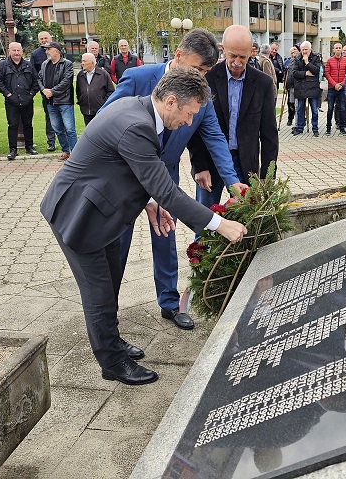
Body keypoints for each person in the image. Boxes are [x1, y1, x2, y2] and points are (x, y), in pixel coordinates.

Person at [40, 66, 247, 385]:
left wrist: (151, 204)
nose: (189, 123)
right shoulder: (137, 125)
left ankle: (112, 340)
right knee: (98, 293)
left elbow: (131, 169)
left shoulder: (140, 109)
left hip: (100, 210)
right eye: (189, 113)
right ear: (171, 101)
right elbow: (167, 189)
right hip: (78, 215)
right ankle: (112, 362)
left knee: (108, 285)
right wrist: (220, 224)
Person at [102, 28, 244, 331]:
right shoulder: (139, 78)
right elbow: (105, 120)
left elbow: (215, 137)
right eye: (196, 68)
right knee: (117, 242)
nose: (201, 77)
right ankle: (106, 310)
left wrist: (232, 181)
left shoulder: (201, 97)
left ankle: (169, 302)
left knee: (165, 235)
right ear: (177, 56)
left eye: (206, 71)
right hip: (126, 174)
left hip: (164, 174)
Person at [189, 24, 278, 208]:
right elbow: (194, 126)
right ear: (223, 50)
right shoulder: (206, 78)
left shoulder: (263, 84)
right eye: (232, 56)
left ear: (252, 52)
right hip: (209, 161)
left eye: (243, 57)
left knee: (246, 219)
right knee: (204, 219)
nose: (237, 62)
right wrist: (199, 166)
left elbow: (269, 134)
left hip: (244, 163)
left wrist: (266, 176)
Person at [0, 42, 41, 160]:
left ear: (22, 51)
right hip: (11, 101)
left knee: (28, 124)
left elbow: (36, 81)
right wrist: (8, 94)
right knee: (13, 125)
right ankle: (13, 149)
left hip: (27, 100)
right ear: (9, 51)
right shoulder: (3, 65)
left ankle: (29, 146)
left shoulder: (28, 65)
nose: (16, 53)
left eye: (18, 50)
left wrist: (31, 94)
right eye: (14, 50)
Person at [40, 42, 76, 161]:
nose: (47, 52)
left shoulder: (67, 64)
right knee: (57, 129)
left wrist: (53, 91)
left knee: (70, 129)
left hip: (64, 101)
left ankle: (76, 154)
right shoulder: (45, 64)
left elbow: (67, 81)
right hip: (50, 103)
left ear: (57, 51)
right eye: (46, 50)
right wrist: (43, 89)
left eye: (49, 49)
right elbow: (39, 78)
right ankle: (66, 151)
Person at [30, 30, 59, 152]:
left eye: (45, 38)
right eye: (41, 39)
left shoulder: (57, 50)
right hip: (45, 91)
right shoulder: (35, 54)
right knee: (50, 116)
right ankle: (51, 142)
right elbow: (33, 73)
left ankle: (66, 141)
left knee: (64, 115)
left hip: (59, 90)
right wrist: (42, 89)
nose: (44, 40)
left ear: (50, 38)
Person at [291, 41, 322, 137]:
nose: (304, 51)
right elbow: (294, 73)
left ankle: (315, 128)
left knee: (315, 110)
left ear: (310, 49)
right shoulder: (297, 58)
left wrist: (307, 62)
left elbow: (316, 71)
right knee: (300, 109)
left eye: (306, 49)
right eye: (302, 49)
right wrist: (305, 74)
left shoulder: (316, 58)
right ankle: (300, 128)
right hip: (301, 88)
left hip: (313, 88)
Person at [76, 52, 114, 125]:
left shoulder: (103, 74)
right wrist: (81, 102)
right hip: (86, 111)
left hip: (100, 111)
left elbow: (111, 91)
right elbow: (78, 91)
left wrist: (103, 103)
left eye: (84, 61)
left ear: (92, 63)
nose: (82, 63)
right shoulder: (80, 75)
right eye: (82, 61)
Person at [324, 42, 346, 135]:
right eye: (336, 48)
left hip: (342, 88)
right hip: (332, 88)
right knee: (330, 108)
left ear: (342, 49)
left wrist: (342, 84)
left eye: (339, 48)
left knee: (342, 108)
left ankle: (342, 128)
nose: (338, 49)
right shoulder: (329, 61)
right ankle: (328, 128)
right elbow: (327, 74)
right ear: (333, 50)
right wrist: (334, 84)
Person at [283, 46, 299, 125]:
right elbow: (285, 74)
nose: (293, 54)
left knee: (297, 104)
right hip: (290, 86)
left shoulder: (299, 61)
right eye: (291, 53)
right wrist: (285, 87)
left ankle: (298, 119)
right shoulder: (287, 61)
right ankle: (290, 118)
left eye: (294, 52)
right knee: (290, 103)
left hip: (298, 87)